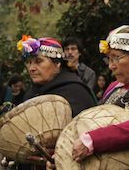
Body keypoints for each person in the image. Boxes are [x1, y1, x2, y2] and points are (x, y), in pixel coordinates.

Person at [46, 25, 129, 169]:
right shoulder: (114, 86)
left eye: (116, 58)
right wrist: (65, 153)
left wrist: (93, 140)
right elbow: (92, 124)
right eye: (109, 59)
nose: (111, 66)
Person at [16, 35, 97, 170]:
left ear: (57, 64)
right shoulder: (30, 93)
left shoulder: (75, 91)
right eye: (29, 62)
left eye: (38, 61)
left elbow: (86, 136)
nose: (31, 68)